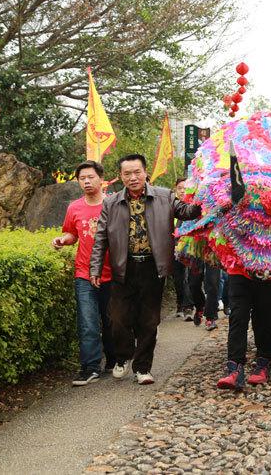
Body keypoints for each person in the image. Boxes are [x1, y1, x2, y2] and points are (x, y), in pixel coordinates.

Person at [90, 154, 201, 385]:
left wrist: (205, 196)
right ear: (120, 176)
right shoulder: (111, 203)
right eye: (127, 174)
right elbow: (100, 238)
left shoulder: (164, 196)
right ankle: (123, 357)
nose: (133, 178)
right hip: (123, 267)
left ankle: (143, 368)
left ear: (145, 172)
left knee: (149, 321)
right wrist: (96, 268)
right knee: (118, 319)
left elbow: (189, 212)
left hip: (153, 267)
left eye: (137, 172)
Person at [52, 160, 115, 386]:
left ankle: (114, 359)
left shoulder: (114, 204)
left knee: (111, 321)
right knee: (88, 322)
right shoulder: (74, 208)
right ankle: (89, 367)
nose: (87, 181)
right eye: (82, 178)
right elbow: (71, 234)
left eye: (91, 177)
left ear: (101, 179)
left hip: (113, 274)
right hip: (84, 274)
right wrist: (62, 240)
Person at [172, 178, 195, 320]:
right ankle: (180, 304)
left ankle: (188, 308)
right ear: (175, 190)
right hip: (173, 248)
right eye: (180, 188)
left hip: (190, 249)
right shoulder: (170, 206)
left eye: (185, 188)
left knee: (188, 278)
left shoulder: (192, 207)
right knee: (177, 279)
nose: (182, 191)